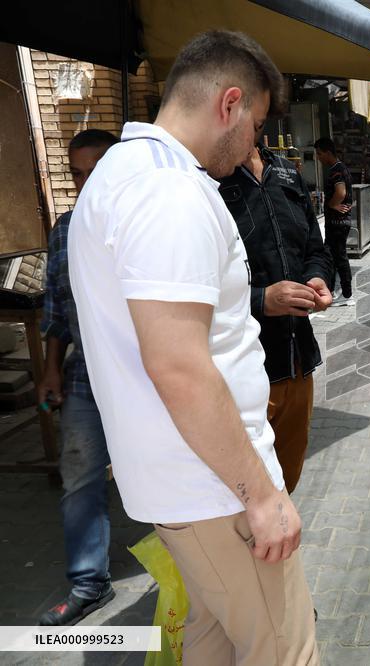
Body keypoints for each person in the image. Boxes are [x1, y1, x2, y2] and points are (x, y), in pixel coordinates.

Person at [67, 30, 317, 664]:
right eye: (257, 125)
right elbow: (178, 363)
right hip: (215, 491)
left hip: (186, 484)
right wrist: (262, 497)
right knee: (284, 650)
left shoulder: (127, 175)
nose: (256, 143)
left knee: (208, 637)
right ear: (229, 104)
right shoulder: (168, 192)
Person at [36, 129, 119, 626]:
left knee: (166, 476)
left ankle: (195, 574)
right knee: (79, 477)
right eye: (77, 173)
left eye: (97, 171)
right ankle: (90, 583)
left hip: (143, 378)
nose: (86, 182)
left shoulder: (141, 223)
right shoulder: (64, 230)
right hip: (85, 376)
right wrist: (49, 367)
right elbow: (55, 308)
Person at [219, 142, 334, 494]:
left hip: (297, 363)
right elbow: (197, 289)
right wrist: (261, 300)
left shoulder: (286, 172)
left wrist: (318, 277)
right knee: (242, 493)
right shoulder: (207, 179)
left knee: (285, 484)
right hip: (242, 371)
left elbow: (317, 248)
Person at [314, 137, 355, 306]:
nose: (318, 157)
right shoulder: (339, 168)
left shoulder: (336, 170)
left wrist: (332, 204)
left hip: (338, 223)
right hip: (339, 222)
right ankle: (332, 291)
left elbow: (341, 192)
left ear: (329, 153)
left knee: (338, 257)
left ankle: (346, 295)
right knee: (332, 256)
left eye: (320, 153)